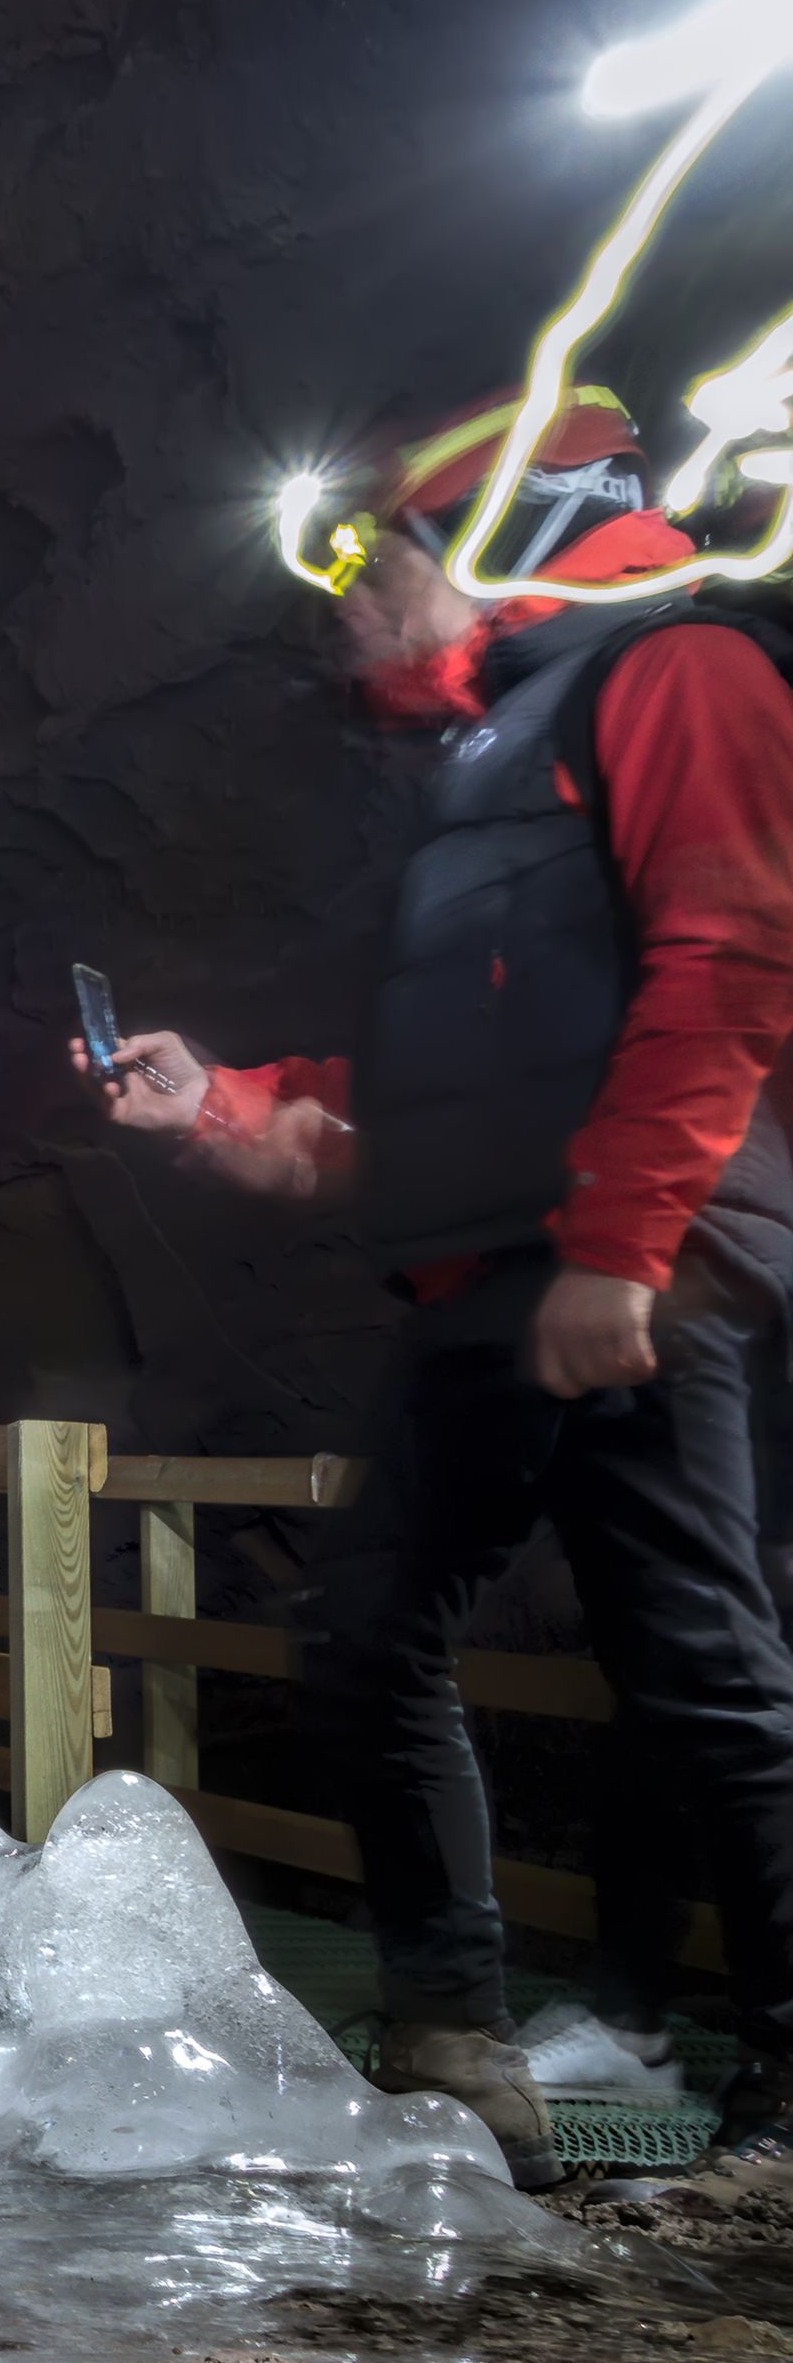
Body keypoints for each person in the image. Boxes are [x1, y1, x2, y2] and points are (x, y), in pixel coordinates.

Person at [84, 386, 793, 2191]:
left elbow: (726, 960)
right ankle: (459, 2056)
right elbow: (437, 1099)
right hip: (507, 1270)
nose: (345, 597)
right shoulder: (481, 770)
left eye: (372, 553)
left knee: (698, 1671)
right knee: (382, 1634)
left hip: (653, 1266)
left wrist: (626, 1250)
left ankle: (759, 2094)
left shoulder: (677, 676)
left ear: (500, 534)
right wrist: (223, 1110)